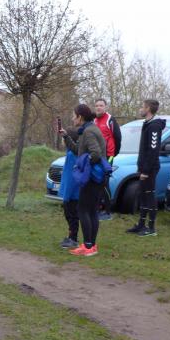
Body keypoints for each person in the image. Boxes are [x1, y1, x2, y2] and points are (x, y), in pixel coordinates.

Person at [64, 104, 106, 257]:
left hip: (92, 177)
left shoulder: (88, 132)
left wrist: (83, 163)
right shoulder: (88, 130)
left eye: (74, 115)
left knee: (83, 210)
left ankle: (88, 247)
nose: (72, 118)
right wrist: (66, 137)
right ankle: (91, 245)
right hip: (96, 177)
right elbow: (78, 151)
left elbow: (96, 154)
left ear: (80, 117)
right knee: (91, 211)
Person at [127, 99, 166, 237]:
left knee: (149, 195)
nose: (140, 109)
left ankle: (151, 228)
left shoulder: (154, 126)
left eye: (142, 107)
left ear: (148, 108)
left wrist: (146, 170)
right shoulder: (147, 123)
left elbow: (153, 150)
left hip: (150, 168)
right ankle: (141, 224)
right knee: (143, 195)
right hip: (144, 167)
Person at [93, 99, 122, 220]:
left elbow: (118, 137)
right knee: (97, 181)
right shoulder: (94, 120)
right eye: (96, 105)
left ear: (105, 107)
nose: (98, 107)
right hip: (97, 155)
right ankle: (98, 209)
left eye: (101, 105)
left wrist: (113, 153)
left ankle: (108, 211)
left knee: (104, 182)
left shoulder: (110, 119)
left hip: (108, 156)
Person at [57, 126, 81, 249]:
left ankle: (73, 239)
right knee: (69, 214)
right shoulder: (70, 152)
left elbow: (72, 177)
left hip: (72, 193)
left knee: (72, 215)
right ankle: (71, 236)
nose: (62, 140)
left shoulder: (72, 155)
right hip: (70, 192)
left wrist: (67, 194)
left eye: (64, 138)